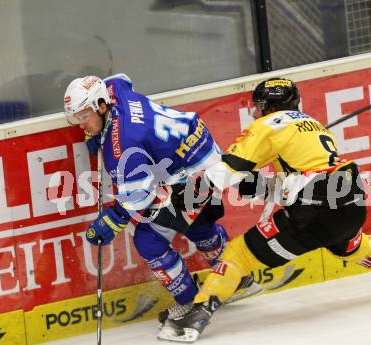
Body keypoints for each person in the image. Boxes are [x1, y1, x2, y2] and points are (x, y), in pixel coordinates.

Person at [158, 77, 371, 342]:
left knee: (239, 254)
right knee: (349, 245)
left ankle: (199, 311)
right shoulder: (315, 125)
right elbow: (305, 174)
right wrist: (258, 186)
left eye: (260, 105)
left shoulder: (266, 125)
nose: (258, 111)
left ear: (268, 107)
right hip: (351, 198)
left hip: (315, 206)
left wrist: (184, 196)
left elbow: (227, 170)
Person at [63, 74, 258, 328]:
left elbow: (139, 196)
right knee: (199, 223)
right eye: (75, 117)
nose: (80, 125)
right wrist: (95, 129)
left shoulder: (122, 146)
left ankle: (191, 301)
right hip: (202, 151)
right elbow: (122, 78)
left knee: (149, 240)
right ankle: (238, 278)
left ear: (102, 106)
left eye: (83, 116)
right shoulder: (114, 90)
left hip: (191, 175)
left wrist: (112, 219)